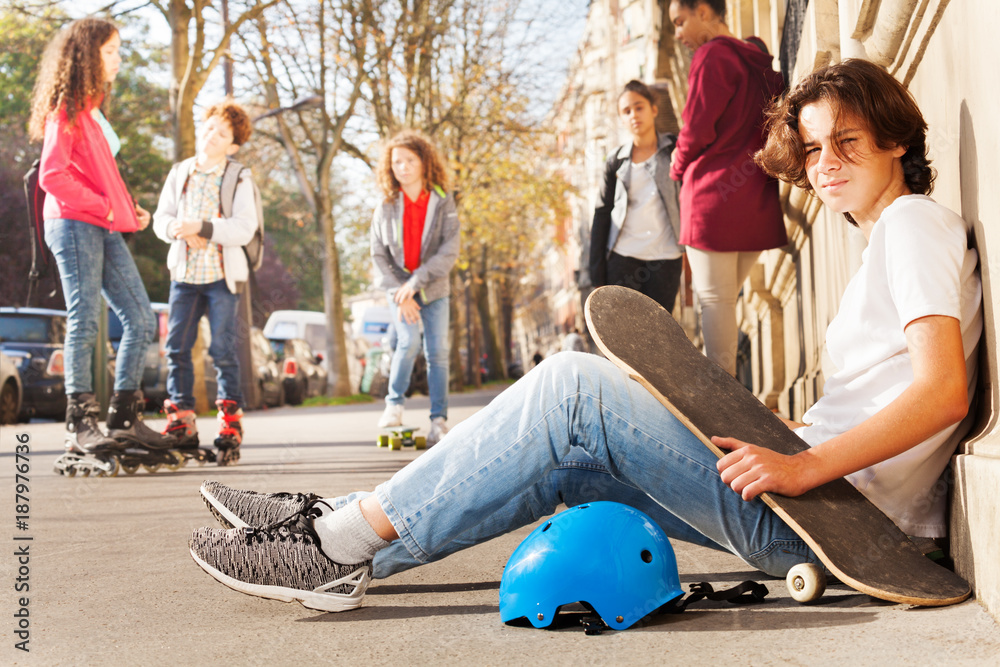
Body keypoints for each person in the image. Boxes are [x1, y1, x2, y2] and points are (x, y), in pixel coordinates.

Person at [189, 59, 982, 616]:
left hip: (830, 518)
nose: (825, 164)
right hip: (811, 496)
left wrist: (802, 461)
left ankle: (333, 538)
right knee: (568, 463)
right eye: (812, 148)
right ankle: (338, 547)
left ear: (896, 141)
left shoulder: (912, 224)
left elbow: (943, 389)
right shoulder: (890, 236)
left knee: (573, 388)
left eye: (846, 142)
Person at [30, 17, 176, 467]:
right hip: (73, 224)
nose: (117, 60)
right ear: (87, 56)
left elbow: (99, 177)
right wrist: (109, 208)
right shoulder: (66, 110)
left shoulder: (92, 114)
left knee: (139, 318)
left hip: (104, 225)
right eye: (110, 51)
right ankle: (79, 420)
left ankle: (122, 417)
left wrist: (128, 210)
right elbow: (52, 176)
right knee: (86, 319)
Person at [667, 0, 788, 375]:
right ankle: (722, 400)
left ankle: (723, 411)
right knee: (723, 303)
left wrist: (676, 163)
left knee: (715, 302)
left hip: (711, 199)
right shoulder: (758, 60)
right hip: (754, 198)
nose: (678, 34)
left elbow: (697, 127)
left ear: (703, 11)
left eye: (680, 22)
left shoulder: (711, 55)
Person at [152, 100, 259, 466]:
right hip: (184, 276)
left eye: (223, 133)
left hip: (220, 278)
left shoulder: (237, 176)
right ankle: (181, 421)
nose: (212, 136)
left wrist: (202, 228)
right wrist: (178, 229)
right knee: (177, 349)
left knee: (223, 352)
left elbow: (245, 227)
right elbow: (160, 219)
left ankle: (230, 425)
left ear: (233, 145)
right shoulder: (181, 172)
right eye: (210, 127)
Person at [369, 130, 459, 447]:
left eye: (410, 160)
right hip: (398, 289)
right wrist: (400, 291)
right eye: (397, 162)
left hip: (433, 288)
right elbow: (378, 253)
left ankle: (439, 420)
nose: (403, 167)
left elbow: (449, 250)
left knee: (438, 352)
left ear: (423, 161)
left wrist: (416, 283)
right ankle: (394, 403)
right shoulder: (386, 205)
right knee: (407, 343)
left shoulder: (442, 201)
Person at [590, 80, 683, 313]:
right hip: (623, 258)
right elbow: (601, 213)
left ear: (653, 109)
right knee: (623, 337)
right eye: (626, 111)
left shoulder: (675, 149)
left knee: (659, 337)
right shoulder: (615, 161)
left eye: (639, 107)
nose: (634, 115)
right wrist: (596, 272)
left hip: (666, 258)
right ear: (621, 118)